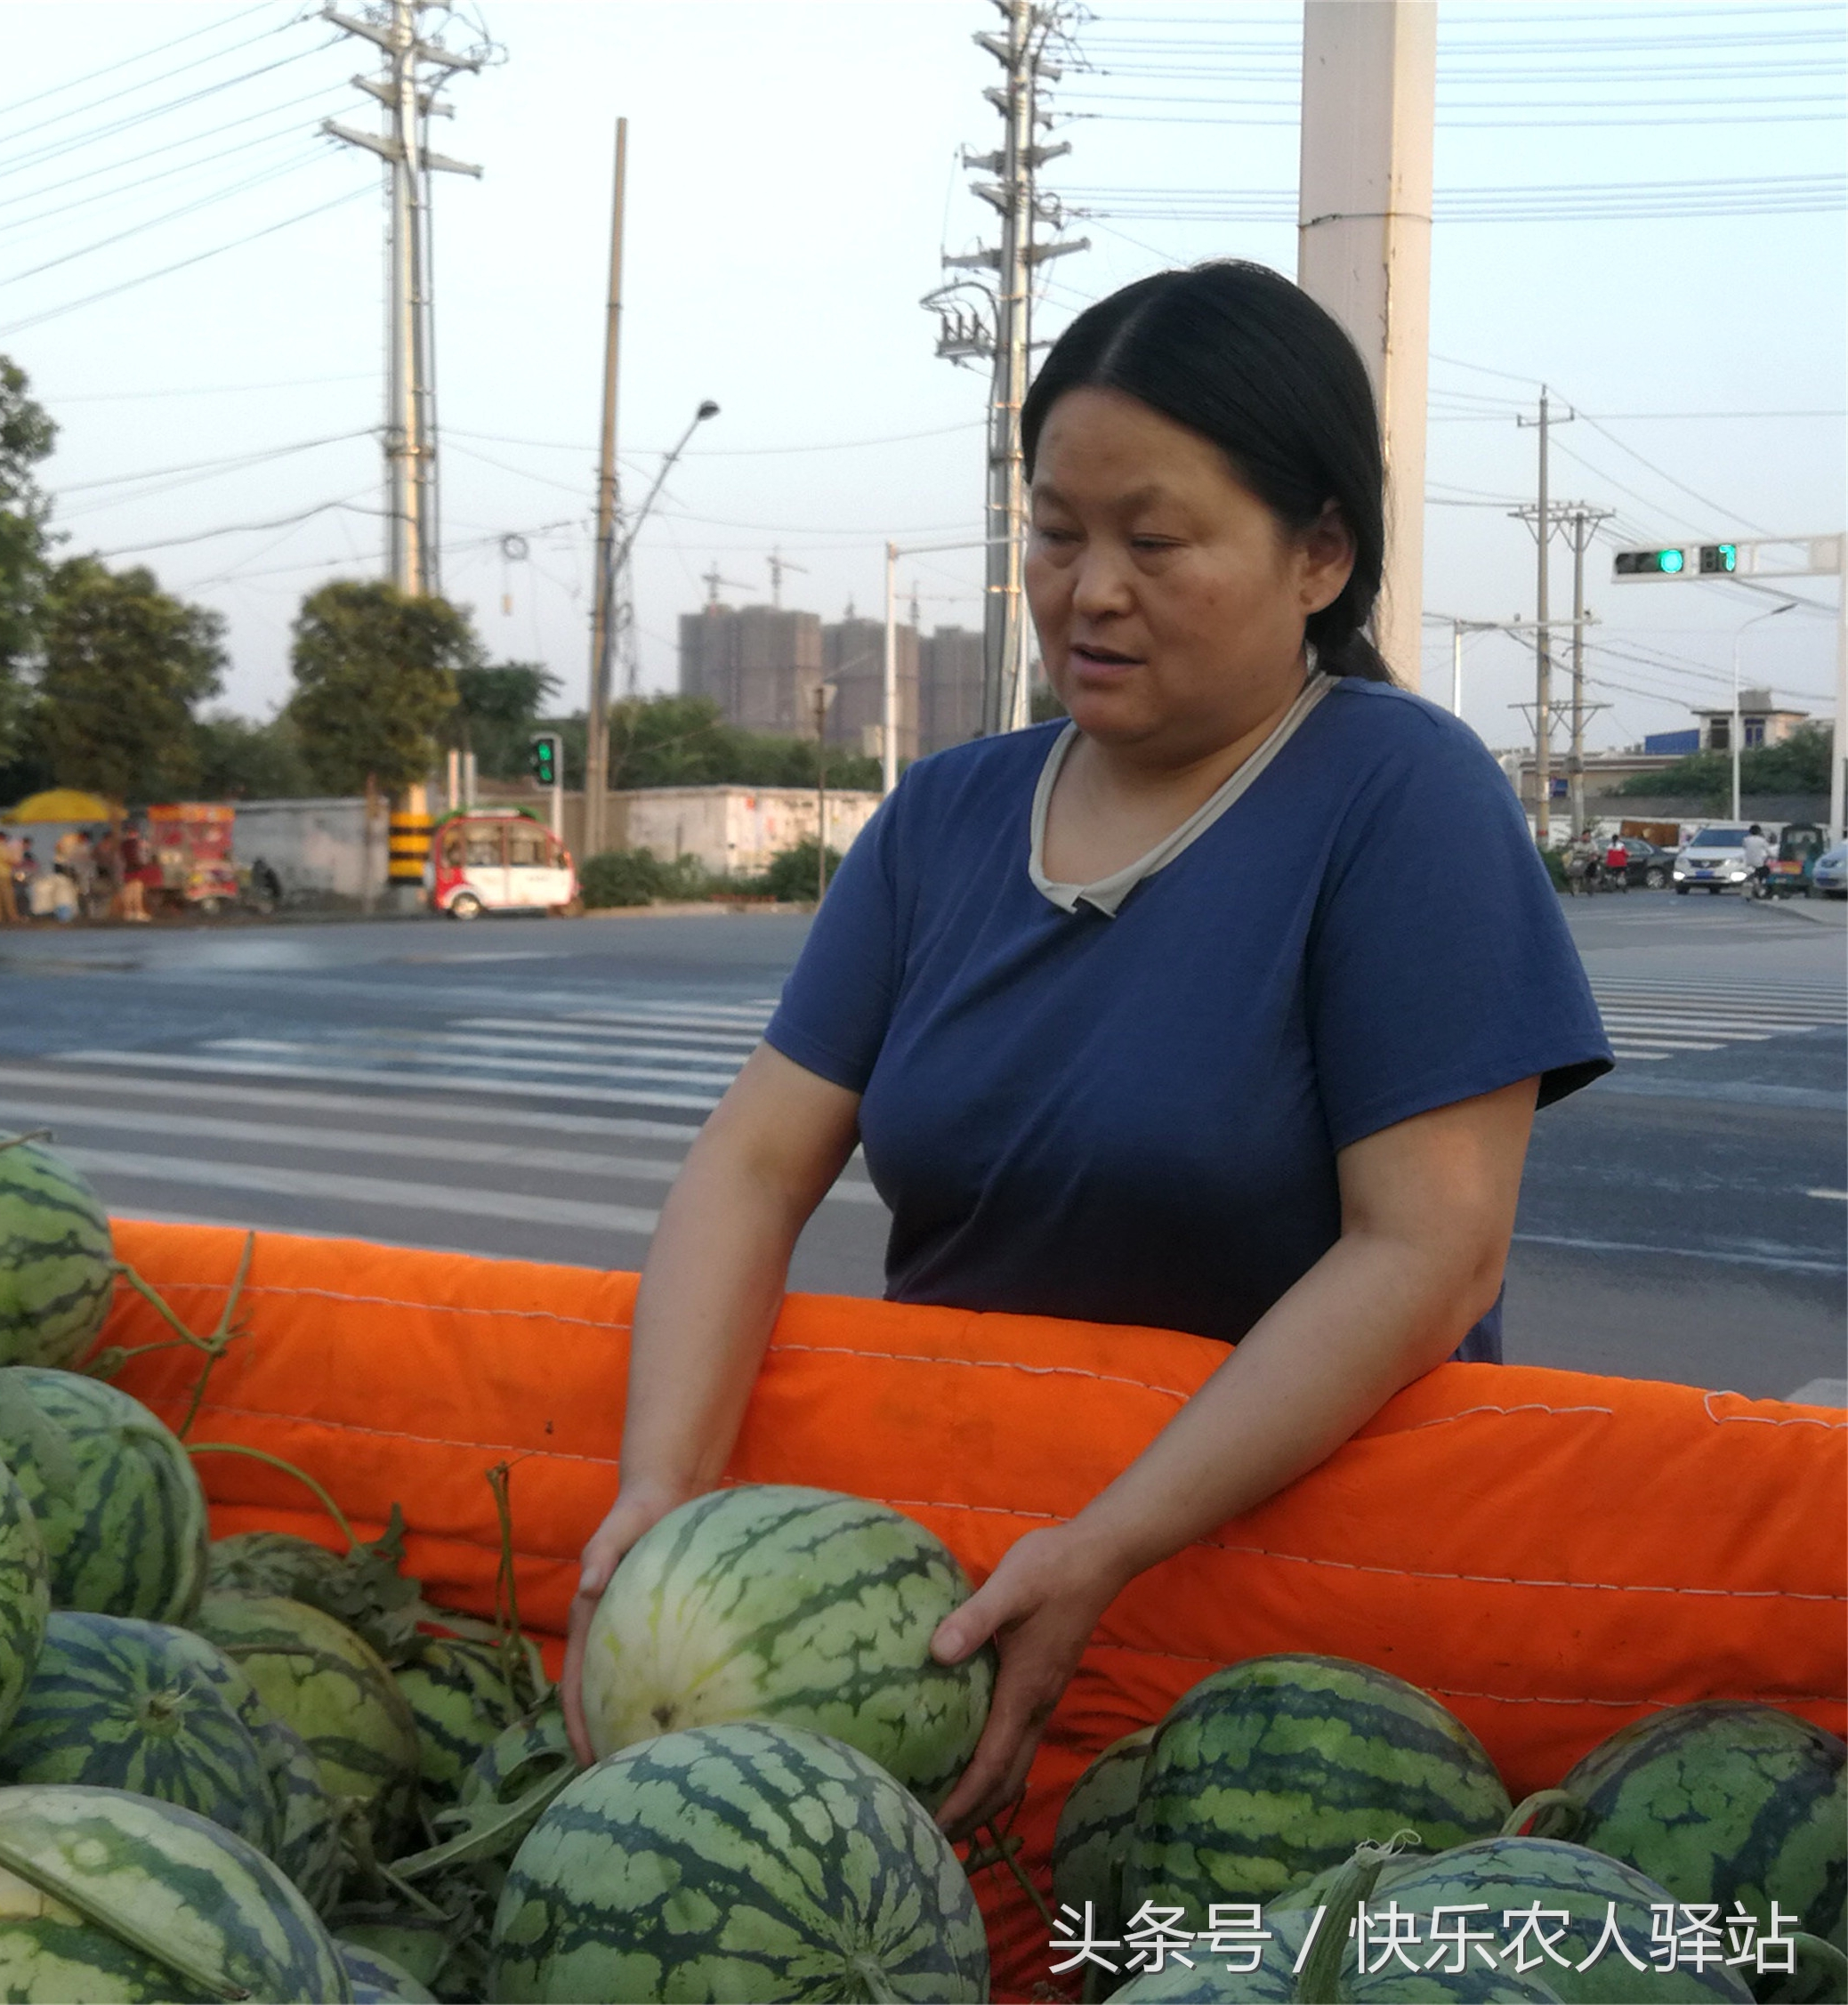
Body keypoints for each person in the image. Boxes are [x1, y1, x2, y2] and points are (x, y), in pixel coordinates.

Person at [558, 262, 1611, 1839]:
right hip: (968, 1574)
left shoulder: (1401, 796)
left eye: (1155, 538)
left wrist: (1113, 1539)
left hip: (1293, 1619)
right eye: (1056, 530)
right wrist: (663, 1488)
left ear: (1319, 552)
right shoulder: (946, 818)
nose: (1087, 587)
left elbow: (1430, 1250)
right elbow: (754, 1163)